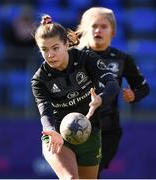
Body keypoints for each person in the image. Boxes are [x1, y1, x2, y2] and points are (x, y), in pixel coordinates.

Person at [31, 15, 120, 179]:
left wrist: (100, 99)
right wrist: (51, 131)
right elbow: (45, 111)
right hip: (57, 136)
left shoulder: (86, 58)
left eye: (55, 47)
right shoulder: (39, 80)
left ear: (66, 44)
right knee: (71, 178)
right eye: (44, 50)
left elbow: (112, 84)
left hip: (90, 132)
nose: (50, 54)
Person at [76, 7, 150, 177]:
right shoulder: (75, 57)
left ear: (113, 32)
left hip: (107, 131)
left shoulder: (122, 59)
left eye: (103, 26)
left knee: (91, 174)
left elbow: (143, 88)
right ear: (86, 30)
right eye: (94, 26)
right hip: (77, 126)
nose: (98, 30)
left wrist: (134, 95)